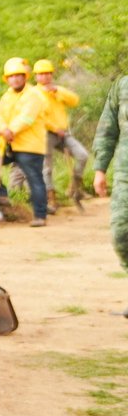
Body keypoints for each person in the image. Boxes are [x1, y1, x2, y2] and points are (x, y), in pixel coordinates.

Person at [0, 58, 50, 226]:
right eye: (11, 76)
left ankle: (40, 215)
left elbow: (27, 118)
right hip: (8, 144)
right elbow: (0, 117)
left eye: (19, 75)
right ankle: (1, 195)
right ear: (7, 79)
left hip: (29, 146)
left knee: (34, 178)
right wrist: (3, 129)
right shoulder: (6, 96)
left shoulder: (34, 94)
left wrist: (10, 130)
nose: (15, 79)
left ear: (25, 76)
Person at [34, 59, 90, 211]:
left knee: (82, 155)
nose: (45, 76)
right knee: (47, 168)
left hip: (63, 133)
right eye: (41, 74)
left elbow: (75, 100)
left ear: (52, 75)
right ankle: (51, 200)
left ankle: (74, 189)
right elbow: (37, 116)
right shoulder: (34, 93)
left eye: (48, 73)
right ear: (36, 76)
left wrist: (57, 91)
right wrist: (53, 127)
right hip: (45, 133)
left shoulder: (57, 90)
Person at [92, 74, 128, 314]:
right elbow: (107, 129)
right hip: (125, 174)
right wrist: (99, 168)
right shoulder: (122, 86)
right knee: (121, 233)